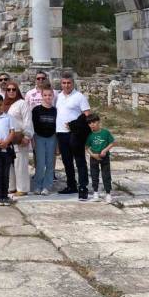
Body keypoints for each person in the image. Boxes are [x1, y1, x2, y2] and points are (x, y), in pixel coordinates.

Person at [56, 71, 91, 200]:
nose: (66, 85)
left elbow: (87, 115)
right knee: (67, 161)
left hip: (75, 134)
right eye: (64, 83)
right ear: (61, 83)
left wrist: (74, 124)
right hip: (61, 133)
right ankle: (71, 185)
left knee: (79, 160)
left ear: (73, 83)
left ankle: (83, 187)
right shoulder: (58, 96)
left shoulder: (79, 97)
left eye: (69, 83)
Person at [4, 81, 33, 196]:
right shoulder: (4, 104)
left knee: (20, 163)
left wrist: (27, 136)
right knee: (9, 164)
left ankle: (22, 188)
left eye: (13, 89)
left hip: (19, 137)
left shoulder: (22, 103)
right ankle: (11, 187)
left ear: (17, 91)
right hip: (7, 138)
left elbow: (27, 120)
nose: (11, 91)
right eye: (8, 89)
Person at [31, 85, 57, 195]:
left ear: (53, 96)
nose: (47, 97)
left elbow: (57, 127)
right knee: (40, 164)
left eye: (50, 95)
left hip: (52, 138)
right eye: (45, 95)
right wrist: (32, 140)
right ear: (42, 96)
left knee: (50, 163)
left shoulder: (55, 110)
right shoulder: (36, 110)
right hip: (39, 137)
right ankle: (38, 185)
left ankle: (47, 186)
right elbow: (31, 126)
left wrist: (58, 145)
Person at [85, 113, 115, 203]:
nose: (92, 125)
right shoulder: (89, 135)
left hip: (104, 157)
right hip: (94, 157)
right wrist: (92, 155)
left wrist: (105, 150)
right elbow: (86, 147)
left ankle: (108, 194)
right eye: (90, 123)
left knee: (106, 175)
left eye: (94, 122)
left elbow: (112, 142)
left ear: (98, 122)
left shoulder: (105, 132)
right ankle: (95, 193)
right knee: (94, 175)